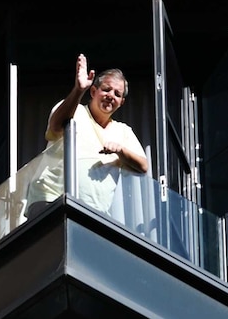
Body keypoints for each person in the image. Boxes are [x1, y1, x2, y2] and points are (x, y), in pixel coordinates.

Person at [25, 54, 148, 218]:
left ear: (121, 102)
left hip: (93, 212)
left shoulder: (123, 131)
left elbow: (143, 166)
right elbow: (55, 126)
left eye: (117, 94)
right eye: (106, 89)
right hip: (51, 200)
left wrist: (120, 151)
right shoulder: (75, 110)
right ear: (93, 91)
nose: (111, 95)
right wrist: (78, 90)